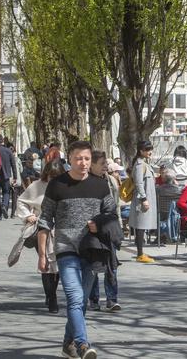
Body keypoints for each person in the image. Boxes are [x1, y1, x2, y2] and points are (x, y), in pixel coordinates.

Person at [37, 140, 116, 359]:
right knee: (74, 297)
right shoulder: (57, 185)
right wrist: (43, 255)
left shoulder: (100, 185)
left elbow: (111, 213)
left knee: (80, 301)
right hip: (66, 249)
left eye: (87, 159)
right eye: (78, 159)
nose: (83, 163)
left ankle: (67, 344)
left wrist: (98, 223)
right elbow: (44, 220)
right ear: (69, 159)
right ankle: (82, 344)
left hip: (92, 250)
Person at [16, 160, 66, 313]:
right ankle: (51, 298)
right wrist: (28, 215)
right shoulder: (37, 186)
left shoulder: (67, 186)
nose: (54, 180)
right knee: (45, 262)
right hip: (41, 230)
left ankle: (51, 293)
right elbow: (22, 201)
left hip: (60, 230)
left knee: (56, 265)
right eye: (52, 177)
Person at [87, 150, 122, 312]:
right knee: (94, 266)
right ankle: (93, 299)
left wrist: (117, 227)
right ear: (91, 165)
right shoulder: (85, 182)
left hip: (108, 228)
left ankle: (111, 299)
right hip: (91, 229)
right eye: (102, 164)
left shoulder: (111, 181)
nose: (105, 166)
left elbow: (116, 205)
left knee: (111, 265)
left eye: (106, 164)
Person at [128, 140, 158, 264]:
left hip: (146, 198)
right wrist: (144, 198)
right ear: (141, 151)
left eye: (150, 149)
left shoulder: (144, 163)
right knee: (140, 226)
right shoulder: (140, 164)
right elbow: (139, 183)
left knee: (142, 226)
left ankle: (141, 252)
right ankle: (140, 253)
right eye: (147, 150)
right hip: (142, 199)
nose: (150, 152)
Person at [0, 135, 18, 220]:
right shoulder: (8, 151)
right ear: (3, 141)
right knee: (6, 192)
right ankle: (4, 205)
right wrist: (15, 176)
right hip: (6, 175)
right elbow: (13, 164)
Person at [156, 168, 182, 239]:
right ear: (174, 179)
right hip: (174, 214)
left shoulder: (158, 189)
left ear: (163, 179)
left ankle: (160, 235)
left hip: (160, 214)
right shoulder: (179, 190)